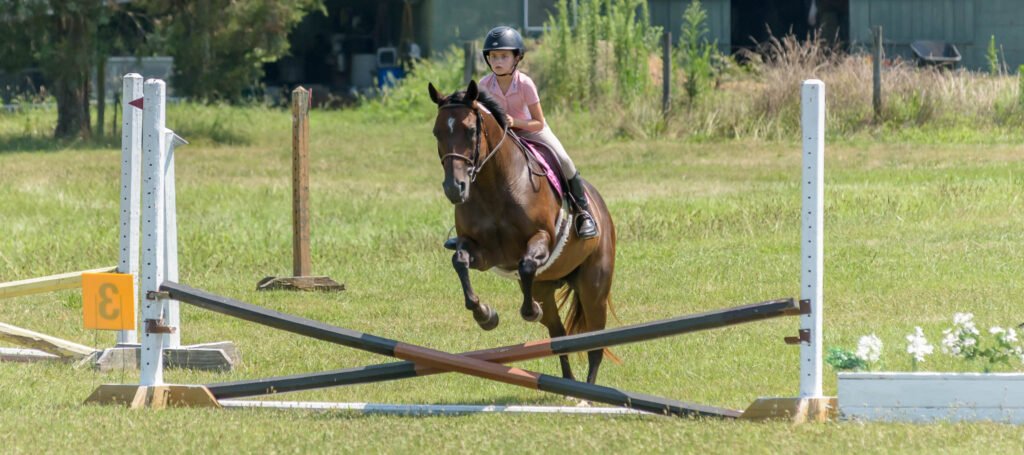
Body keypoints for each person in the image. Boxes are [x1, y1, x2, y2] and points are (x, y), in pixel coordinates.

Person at [477, 26, 598, 240]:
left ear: (517, 58)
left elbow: (538, 122)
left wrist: (515, 122)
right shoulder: (484, 85)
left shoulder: (526, 84)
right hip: (502, 137)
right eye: (493, 56)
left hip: (531, 131)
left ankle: (583, 213)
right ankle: (469, 223)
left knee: (565, 160)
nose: (497, 61)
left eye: (504, 56)